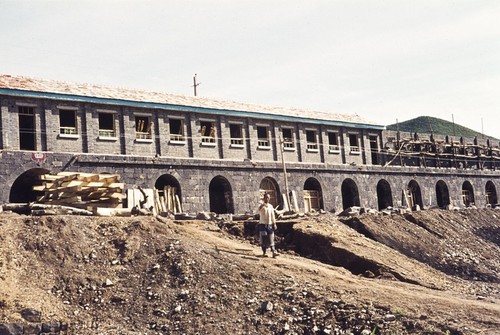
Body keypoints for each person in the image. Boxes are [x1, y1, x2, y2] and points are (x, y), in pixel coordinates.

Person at [257, 192, 279, 258]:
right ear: (264, 198)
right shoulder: (261, 205)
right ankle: (264, 252)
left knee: (271, 238)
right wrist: (262, 205)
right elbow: (258, 210)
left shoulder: (270, 206)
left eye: (268, 197)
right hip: (262, 225)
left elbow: (272, 215)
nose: (267, 199)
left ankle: (273, 251)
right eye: (266, 197)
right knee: (263, 238)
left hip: (269, 224)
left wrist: (274, 223)